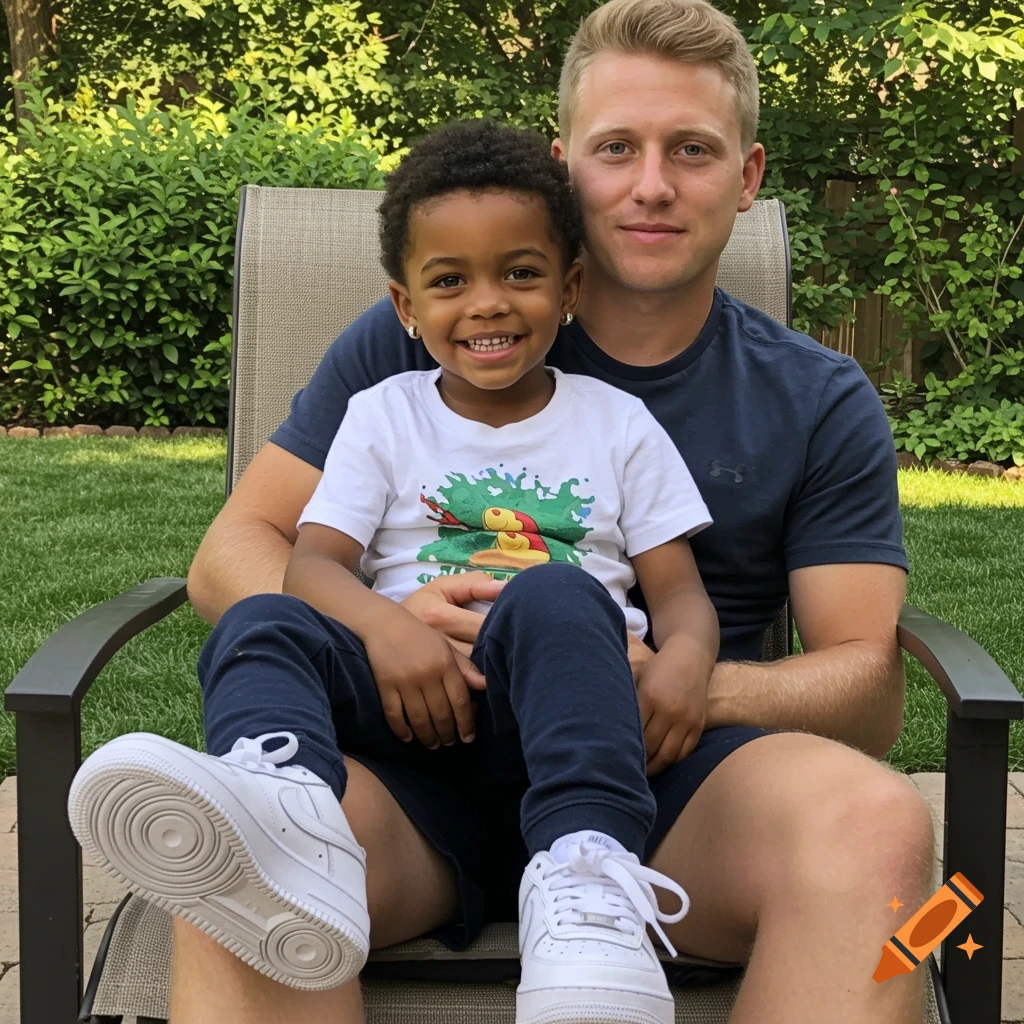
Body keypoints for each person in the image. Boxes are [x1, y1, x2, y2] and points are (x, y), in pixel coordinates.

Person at [180, 0, 935, 1022]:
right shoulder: (423, 336)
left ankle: (920, 949)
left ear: (747, 177)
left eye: (694, 149)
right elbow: (232, 552)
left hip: (659, 787)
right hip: (407, 763)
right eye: (616, 146)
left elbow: (869, 688)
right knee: (238, 864)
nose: (652, 183)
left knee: (886, 835)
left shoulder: (814, 397)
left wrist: (677, 688)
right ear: (564, 162)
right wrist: (384, 630)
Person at [68, 119, 723, 1024]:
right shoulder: (381, 414)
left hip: (566, 709)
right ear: (404, 306)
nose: (487, 303)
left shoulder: (617, 422)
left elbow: (680, 592)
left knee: (560, 589)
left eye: (520, 273)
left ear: (570, 287)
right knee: (265, 623)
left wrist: (688, 663)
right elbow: (314, 563)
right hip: (408, 711)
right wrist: (388, 629)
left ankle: (589, 884)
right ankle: (286, 811)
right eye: (449, 281)